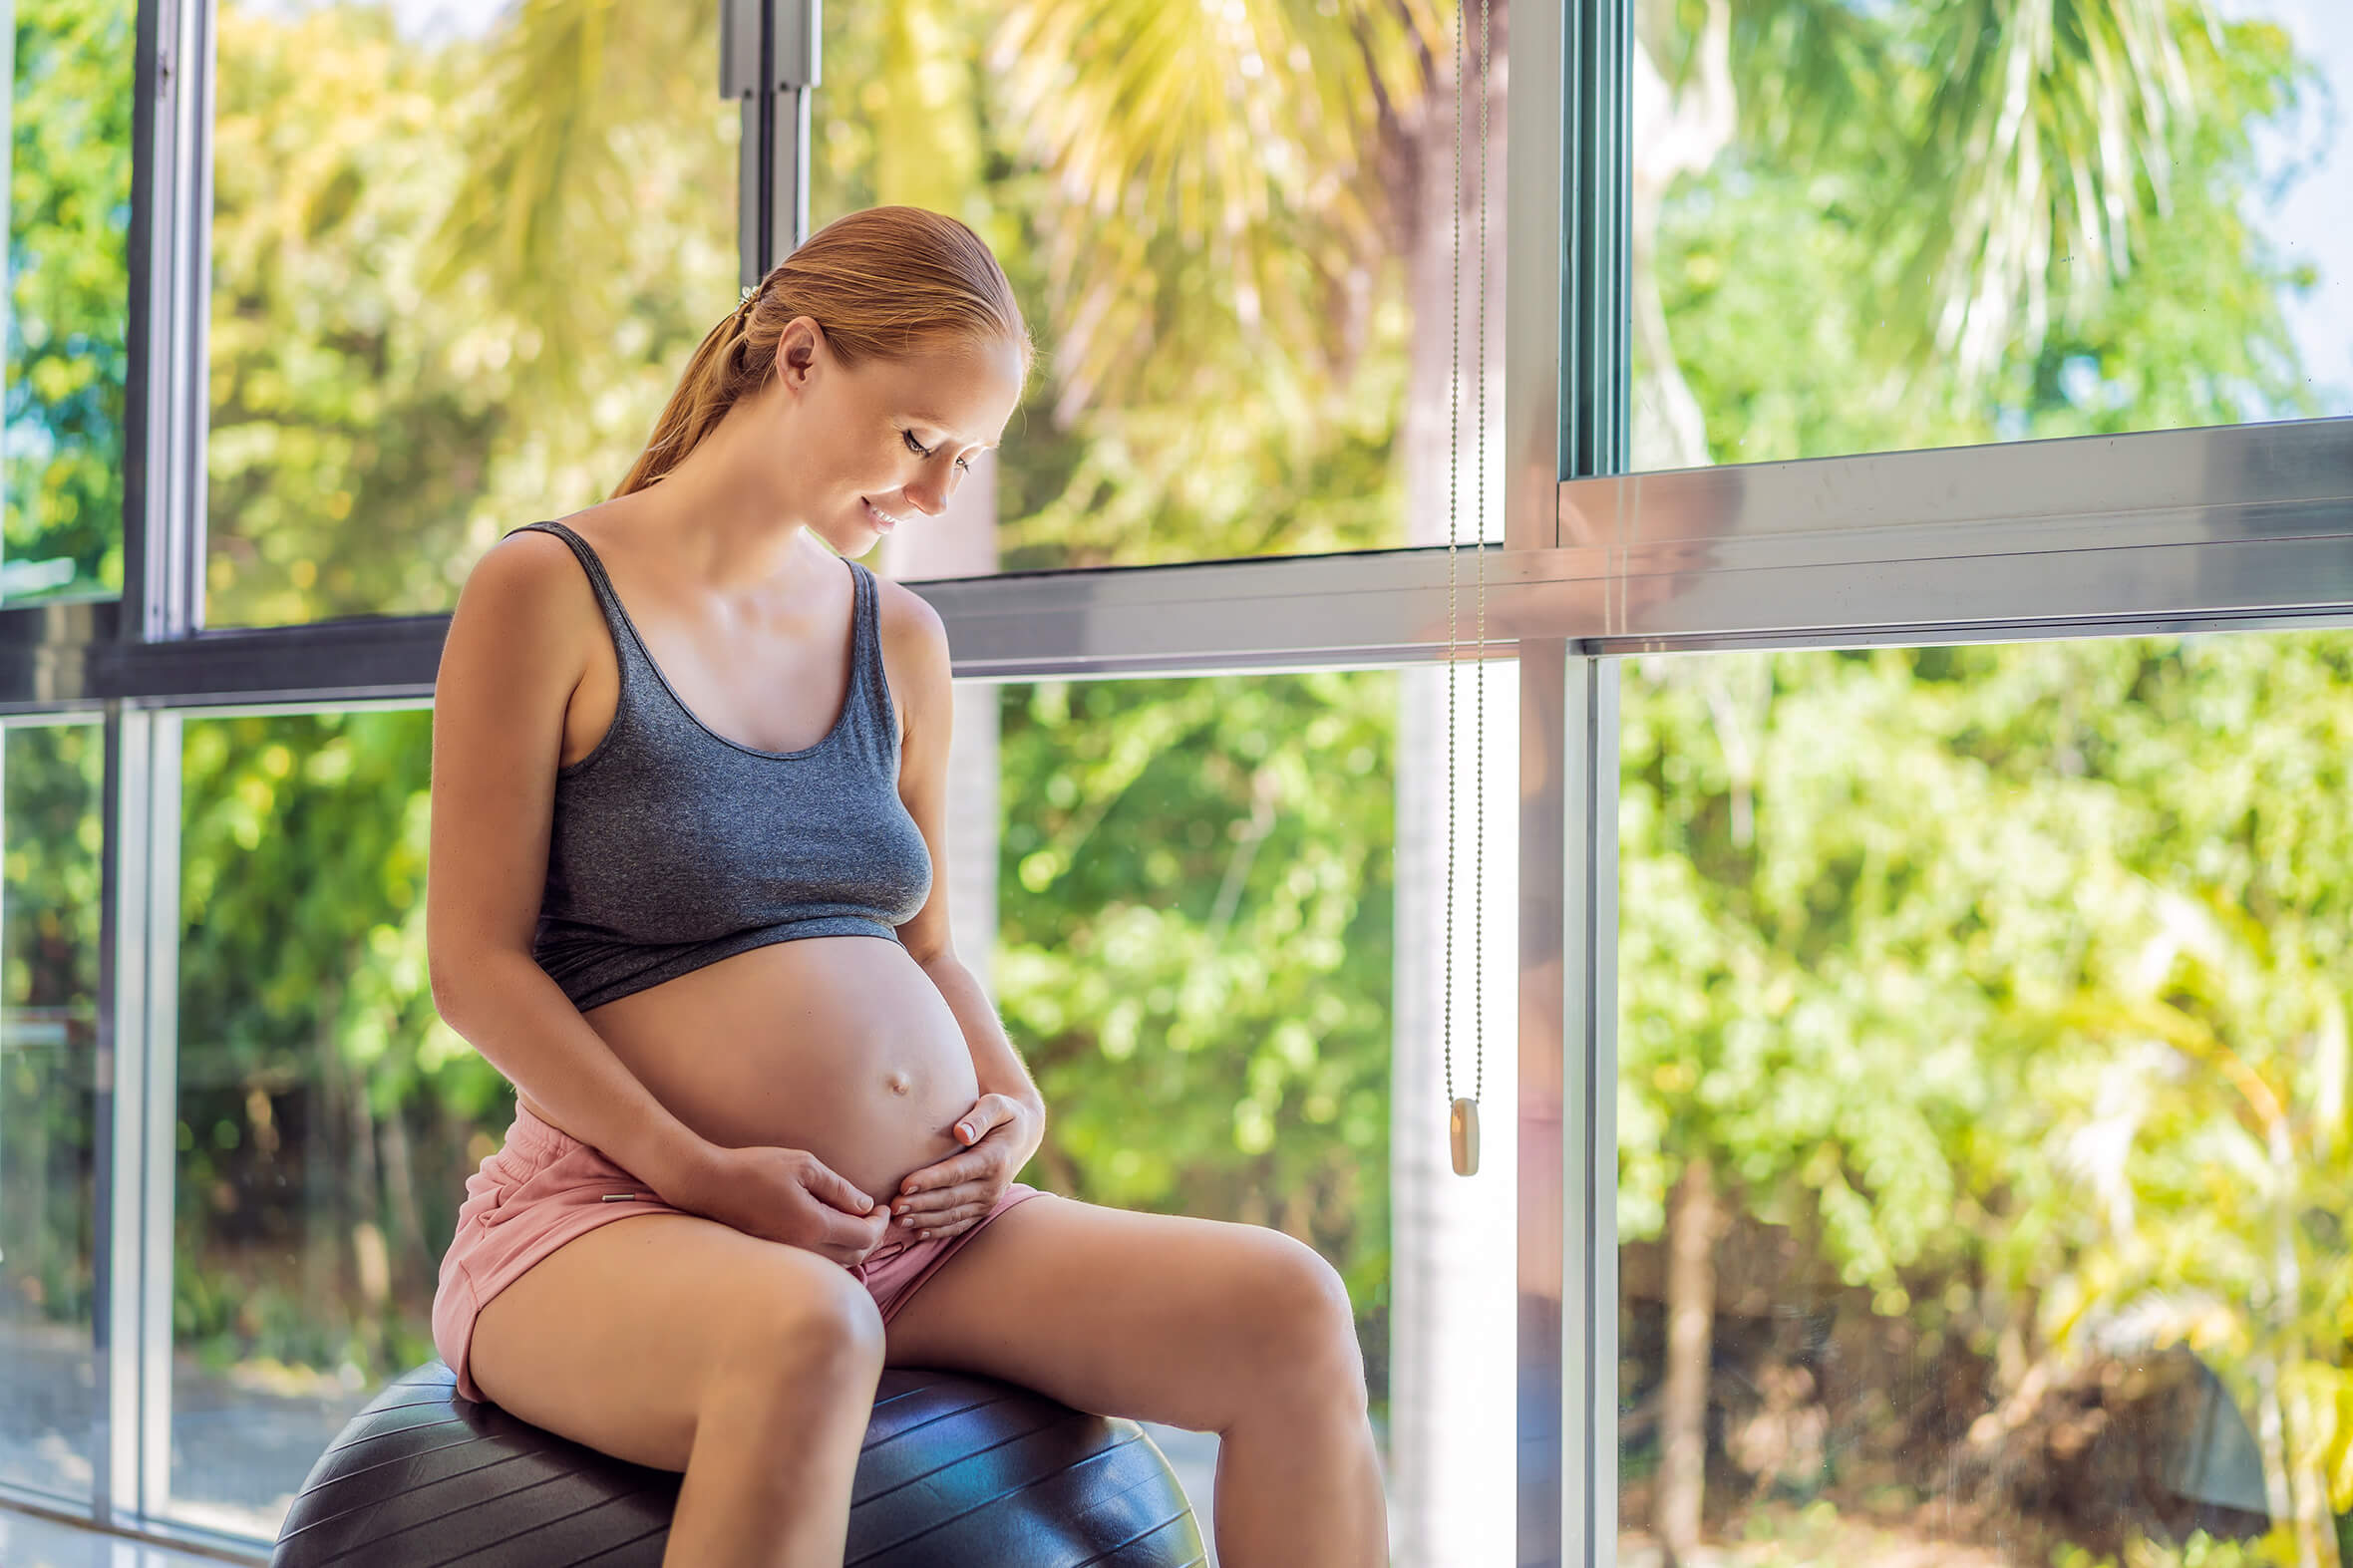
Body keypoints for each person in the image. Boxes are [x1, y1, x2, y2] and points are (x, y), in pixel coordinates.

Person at [424, 205, 1390, 1568]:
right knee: (808, 1331)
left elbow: (925, 947)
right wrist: (705, 1172)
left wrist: (1012, 1105)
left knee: (1289, 1304)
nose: (938, 495)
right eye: (920, 440)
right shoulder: (547, 591)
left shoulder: (902, 641)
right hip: (612, 1219)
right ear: (801, 355)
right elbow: (475, 966)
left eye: (970, 457)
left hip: (921, 1239)